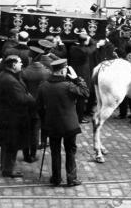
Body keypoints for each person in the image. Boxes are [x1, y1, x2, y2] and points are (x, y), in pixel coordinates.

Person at [37, 59, 89, 187]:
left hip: (52, 124)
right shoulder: (69, 86)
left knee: (55, 151)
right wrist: (77, 78)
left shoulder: (43, 86)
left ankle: (56, 178)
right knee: (70, 151)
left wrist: (45, 119)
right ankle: (72, 179)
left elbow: (38, 107)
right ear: (63, 70)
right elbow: (86, 93)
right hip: (69, 125)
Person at [0, 55, 35, 178]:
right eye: (20, 63)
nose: (21, 64)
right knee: (12, 143)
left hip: (6, 114)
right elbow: (21, 98)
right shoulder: (10, 81)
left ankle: (4, 164)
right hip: (12, 117)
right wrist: (31, 98)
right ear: (13, 65)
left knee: (6, 143)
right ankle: (8, 169)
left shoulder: (4, 75)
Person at [21, 46, 51, 162]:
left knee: (27, 130)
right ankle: (36, 151)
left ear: (30, 58)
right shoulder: (47, 72)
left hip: (27, 104)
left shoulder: (24, 72)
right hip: (42, 105)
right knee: (38, 129)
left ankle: (26, 153)